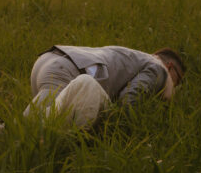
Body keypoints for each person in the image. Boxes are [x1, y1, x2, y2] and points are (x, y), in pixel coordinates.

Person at [24, 44, 185, 129]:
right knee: (37, 129)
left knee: (32, 125)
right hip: (67, 71)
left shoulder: (134, 57)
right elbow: (129, 99)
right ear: (170, 66)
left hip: (49, 60)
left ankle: (4, 133)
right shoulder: (158, 68)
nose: (175, 85)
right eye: (177, 80)